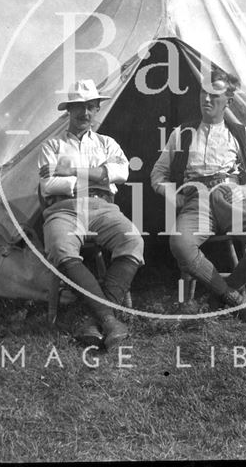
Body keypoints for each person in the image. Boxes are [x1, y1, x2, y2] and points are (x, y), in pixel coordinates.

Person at [151, 68, 246, 321]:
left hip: (231, 196)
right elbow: (158, 174)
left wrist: (245, 189)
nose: (206, 99)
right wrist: (171, 196)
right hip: (195, 199)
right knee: (180, 244)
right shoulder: (182, 133)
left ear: (228, 102)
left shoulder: (240, 134)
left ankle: (219, 295)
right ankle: (233, 300)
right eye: (203, 92)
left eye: (214, 95)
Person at [38, 79, 144, 350]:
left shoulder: (107, 143)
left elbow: (122, 173)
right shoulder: (52, 147)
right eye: (79, 107)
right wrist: (97, 175)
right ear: (69, 110)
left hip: (102, 207)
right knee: (61, 247)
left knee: (133, 239)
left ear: (97, 110)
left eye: (91, 107)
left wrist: (73, 172)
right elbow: (48, 185)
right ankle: (109, 320)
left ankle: (93, 319)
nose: (85, 113)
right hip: (64, 209)